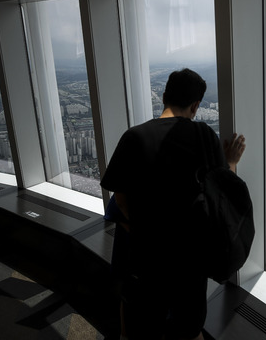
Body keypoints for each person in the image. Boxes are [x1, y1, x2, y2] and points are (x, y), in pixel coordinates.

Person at [101, 68, 246, 340]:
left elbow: (119, 195)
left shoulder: (134, 136)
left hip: (146, 256)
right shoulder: (205, 136)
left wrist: (144, 228)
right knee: (190, 329)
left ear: (164, 97)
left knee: (140, 324)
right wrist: (232, 163)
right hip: (190, 258)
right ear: (195, 106)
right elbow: (221, 194)